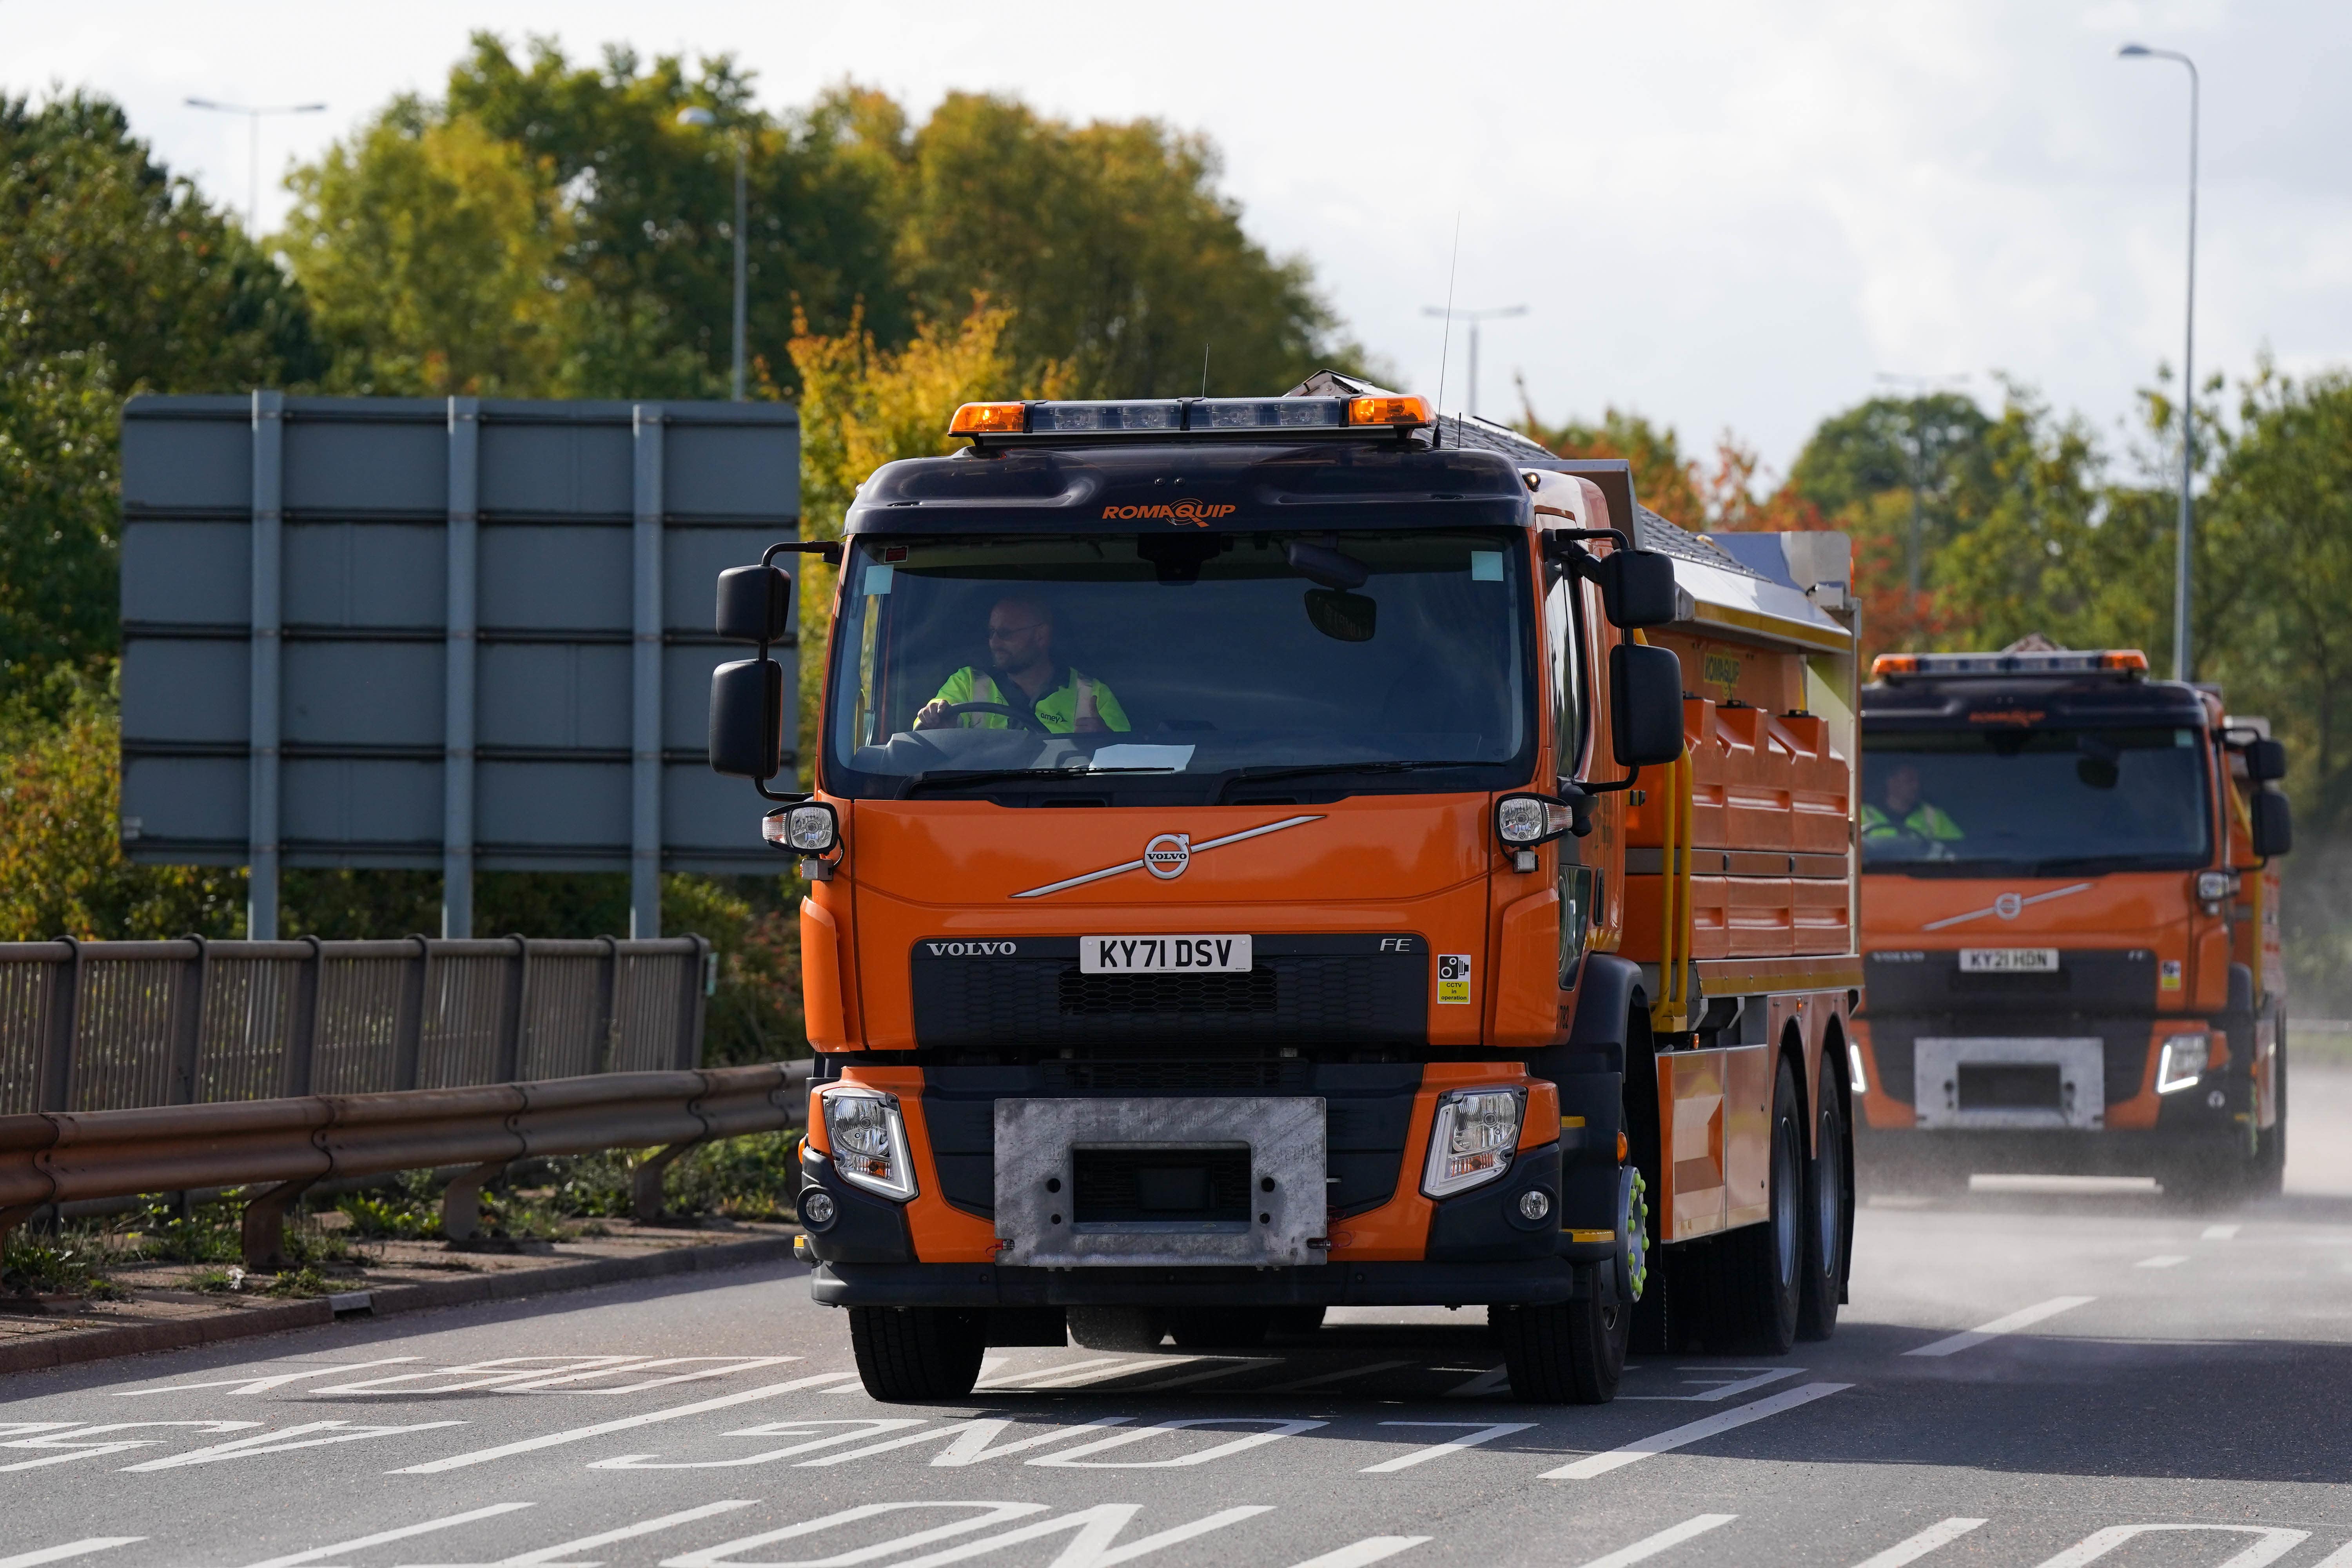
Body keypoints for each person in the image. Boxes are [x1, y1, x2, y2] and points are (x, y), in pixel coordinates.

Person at [915, 594, 1131, 735]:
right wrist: (933, 720)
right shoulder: (967, 682)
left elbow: (1127, 762)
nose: (994, 642)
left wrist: (1105, 740)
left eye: (1005, 633)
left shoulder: (1093, 694)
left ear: (1041, 636)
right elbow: (925, 730)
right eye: (991, 632)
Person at [1862, 761, 1964, 857]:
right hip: (1875, 873)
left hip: (1925, 874)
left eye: (1918, 781)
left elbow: (1957, 850)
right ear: (1891, 782)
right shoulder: (1862, 814)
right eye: (1909, 781)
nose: (1916, 786)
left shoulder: (1933, 816)